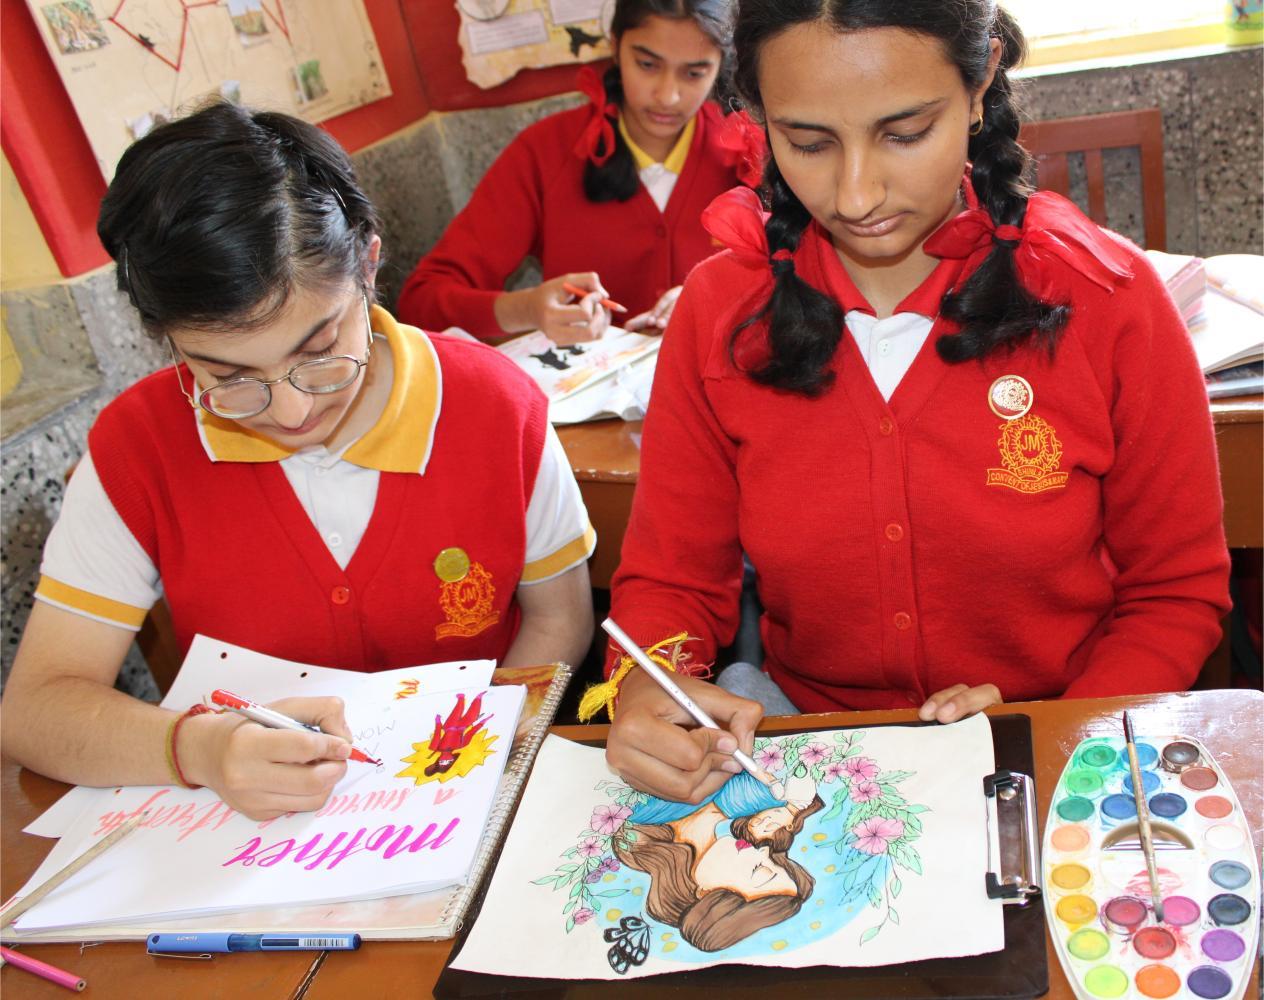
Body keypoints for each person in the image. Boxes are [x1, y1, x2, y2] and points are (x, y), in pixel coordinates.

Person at [599, 0, 1231, 802]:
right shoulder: (720, 312)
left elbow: (1173, 590)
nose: (857, 194)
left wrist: (1061, 738)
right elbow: (673, 579)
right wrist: (647, 683)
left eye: (904, 133)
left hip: (1067, 732)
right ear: (757, 116)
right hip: (807, 750)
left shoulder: (1108, 299)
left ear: (980, 82)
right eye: (808, 143)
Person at [1, 102, 596, 821]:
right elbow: (36, 707)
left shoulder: (496, 406)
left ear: (368, 265)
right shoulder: (139, 446)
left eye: (318, 352)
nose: (289, 412)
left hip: (458, 798)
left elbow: (560, 619)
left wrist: (480, 765)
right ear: (168, 341)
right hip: (251, 842)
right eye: (227, 377)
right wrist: (200, 749)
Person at [396, 0, 765, 345]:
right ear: (615, 47)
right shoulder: (545, 152)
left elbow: (794, 276)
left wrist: (717, 294)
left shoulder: (753, 154)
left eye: (694, 73)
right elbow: (421, 301)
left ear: (721, 65)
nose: (668, 96)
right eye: (647, 65)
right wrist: (527, 309)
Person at [613, 773, 823, 951]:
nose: (764, 851)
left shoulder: (640, 823)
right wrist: (792, 809)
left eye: (760, 870)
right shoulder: (752, 799)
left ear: (707, 894)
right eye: (771, 860)